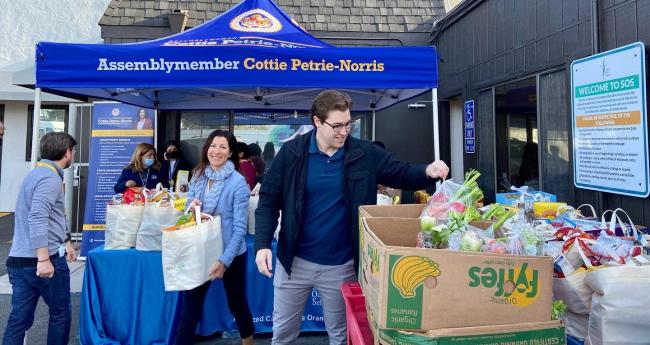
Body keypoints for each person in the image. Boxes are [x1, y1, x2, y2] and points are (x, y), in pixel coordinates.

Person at [254, 90, 449, 345]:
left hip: (342, 265)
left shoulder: (364, 154)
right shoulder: (292, 153)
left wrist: (427, 171)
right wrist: (261, 245)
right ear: (316, 121)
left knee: (342, 336)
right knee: (282, 335)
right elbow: (268, 200)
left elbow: (400, 172)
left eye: (348, 124)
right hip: (294, 263)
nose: (344, 131)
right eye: (336, 125)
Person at [173, 130, 254, 345]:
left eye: (223, 147)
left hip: (232, 253)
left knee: (237, 303)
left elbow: (239, 230)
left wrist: (224, 261)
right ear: (206, 149)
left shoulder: (238, 183)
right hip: (202, 251)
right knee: (190, 306)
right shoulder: (198, 174)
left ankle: (249, 342)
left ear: (230, 153)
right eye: (213, 146)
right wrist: (191, 209)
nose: (216, 151)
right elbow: (186, 215)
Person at [3, 132, 78, 345]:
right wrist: (43, 259)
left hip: (20, 260)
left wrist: (66, 241)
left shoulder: (36, 174)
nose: (72, 155)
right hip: (42, 261)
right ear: (66, 152)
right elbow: (38, 216)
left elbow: (55, 215)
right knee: (60, 314)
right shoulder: (49, 179)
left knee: (19, 320)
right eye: (72, 151)